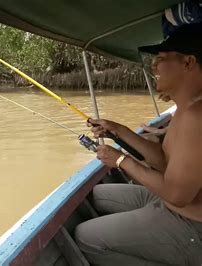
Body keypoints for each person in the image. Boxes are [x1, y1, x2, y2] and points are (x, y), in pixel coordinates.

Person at [75, 23, 202, 265]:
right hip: (168, 204)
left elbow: (177, 194)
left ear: (188, 62)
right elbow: (164, 161)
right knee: (99, 195)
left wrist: (120, 160)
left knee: (86, 238)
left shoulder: (198, 116)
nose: (154, 64)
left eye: (162, 57)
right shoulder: (186, 108)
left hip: (191, 225)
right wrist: (118, 130)